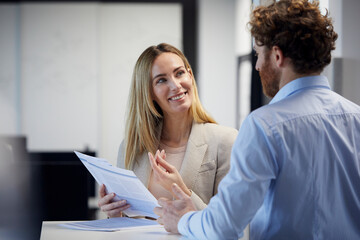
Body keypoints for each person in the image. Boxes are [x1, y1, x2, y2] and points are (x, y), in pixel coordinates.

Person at [154, 0, 360, 239]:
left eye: (258, 54)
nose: (258, 66)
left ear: (277, 56)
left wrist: (183, 221)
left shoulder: (265, 126)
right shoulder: (356, 118)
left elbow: (225, 226)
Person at [97, 43, 238, 218]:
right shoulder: (131, 147)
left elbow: (229, 223)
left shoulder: (226, 140)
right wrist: (115, 213)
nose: (176, 85)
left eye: (179, 73)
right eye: (162, 80)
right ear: (149, 93)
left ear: (190, 75)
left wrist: (181, 190)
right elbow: (125, 225)